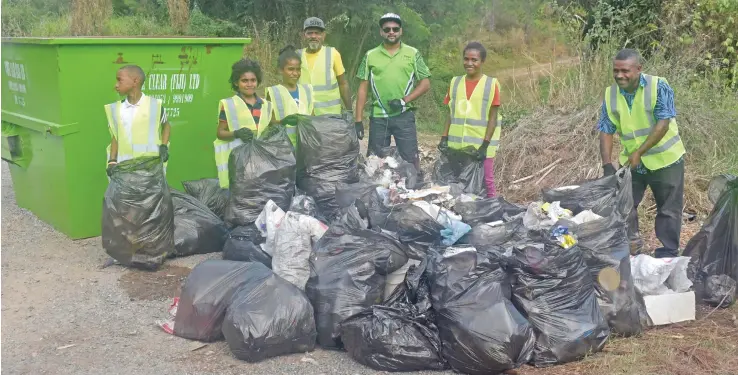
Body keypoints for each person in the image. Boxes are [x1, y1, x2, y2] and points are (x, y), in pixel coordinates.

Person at [598, 48, 686, 258]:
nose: (620, 76)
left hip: (666, 160)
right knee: (624, 206)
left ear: (639, 69)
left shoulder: (659, 86)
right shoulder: (611, 94)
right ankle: (632, 248)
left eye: (625, 71)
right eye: (616, 71)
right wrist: (607, 165)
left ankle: (668, 253)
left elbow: (663, 123)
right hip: (633, 164)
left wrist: (639, 152)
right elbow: (606, 129)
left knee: (668, 211)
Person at [355, 12, 431, 174]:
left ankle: (415, 193)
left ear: (401, 31)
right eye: (387, 29)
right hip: (379, 117)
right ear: (381, 32)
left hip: (404, 115)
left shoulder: (413, 53)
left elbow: (425, 83)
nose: (391, 32)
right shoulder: (370, 55)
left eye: (395, 29)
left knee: (411, 160)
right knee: (375, 163)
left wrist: (404, 100)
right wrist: (358, 120)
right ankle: (377, 196)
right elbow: (362, 87)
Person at [438, 42, 502, 197]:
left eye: (474, 60)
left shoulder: (491, 84)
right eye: (466, 59)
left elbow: (492, 117)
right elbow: (450, 113)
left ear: (482, 62)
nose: (469, 63)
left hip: (480, 145)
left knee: (486, 182)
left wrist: (484, 146)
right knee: (457, 181)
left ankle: (492, 209)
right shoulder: (455, 82)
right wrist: (444, 137)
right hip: (457, 145)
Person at [214, 58, 275, 188]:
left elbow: (271, 128)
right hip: (238, 164)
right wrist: (236, 133)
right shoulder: (228, 105)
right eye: (244, 81)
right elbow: (220, 133)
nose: (249, 84)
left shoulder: (266, 105)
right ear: (236, 82)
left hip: (261, 164)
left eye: (253, 80)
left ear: (257, 81)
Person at [105, 65, 170, 176]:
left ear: (135, 81)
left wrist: (164, 146)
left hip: (151, 170)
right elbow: (115, 137)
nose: (116, 85)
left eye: (120, 80)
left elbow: (166, 126)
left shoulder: (155, 106)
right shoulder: (116, 109)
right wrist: (112, 161)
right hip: (124, 169)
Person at [298, 17, 352, 118]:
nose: (313, 36)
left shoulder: (332, 54)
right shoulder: (296, 56)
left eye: (317, 33)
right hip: (304, 117)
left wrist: (349, 111)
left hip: (330, 117)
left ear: (323, 35)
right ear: (303, 35)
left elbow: (343, 84)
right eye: (310, 33)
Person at [265, 45, 314, 147]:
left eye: (298, 69)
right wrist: (283, 122)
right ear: (281, 70)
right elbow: (269, 123)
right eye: (291, 69)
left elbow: (313, 118)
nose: (295, 73)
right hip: (283, 148)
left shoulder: (307, 90)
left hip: (305, 146)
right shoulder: (273, 92)